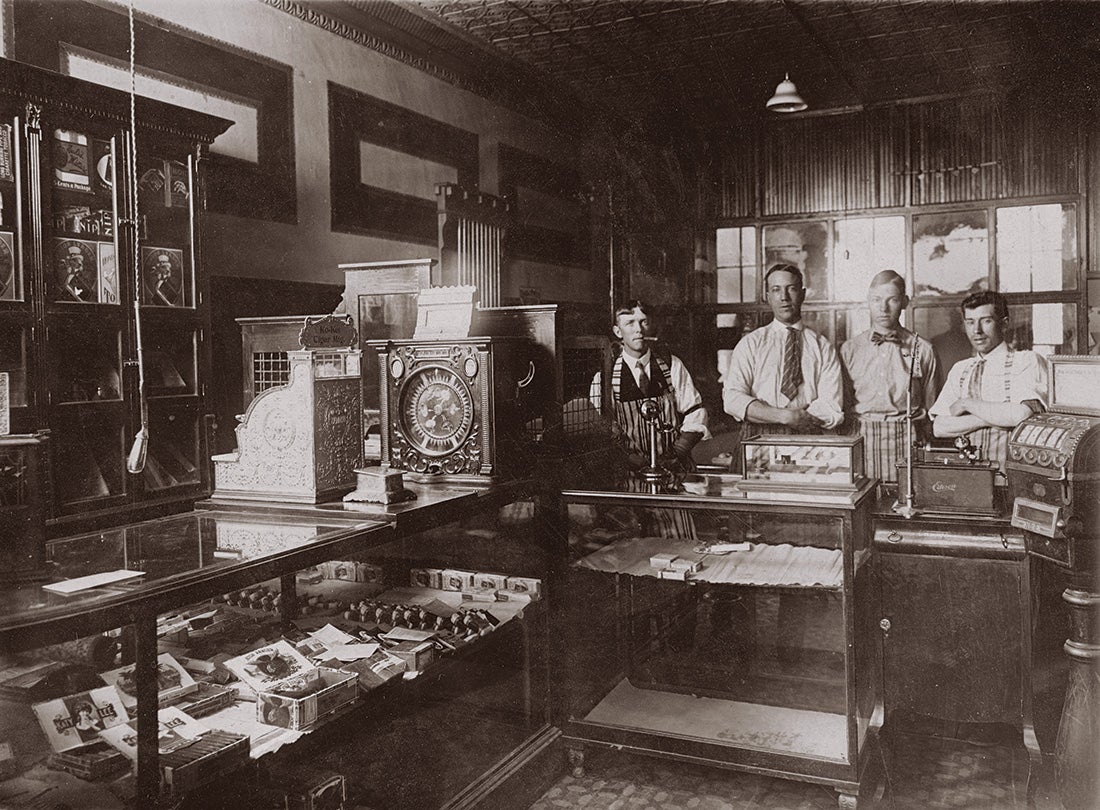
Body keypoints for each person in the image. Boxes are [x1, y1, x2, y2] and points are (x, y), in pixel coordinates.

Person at [589, 300, 708, 538]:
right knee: (634, 550)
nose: (638, 329)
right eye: (629, 323)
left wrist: (678, 450)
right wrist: (628, 458)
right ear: (617, 331)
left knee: (680, 544)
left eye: (643, 321)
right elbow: (599, 429)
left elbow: (696, 412)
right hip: (628, 482)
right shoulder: (604, 377)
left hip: (672, 477)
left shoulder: (671, 366)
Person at [929, 290, 1046, 475]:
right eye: (970, 322)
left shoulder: (1027, 361)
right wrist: (992, 418)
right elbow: (940, 427)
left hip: (1013, 473)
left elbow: (1020, 415)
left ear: (1004, 324)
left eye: (986, 320)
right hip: (969, 476)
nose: (977, 331)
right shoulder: (960, 369)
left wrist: (966, 403)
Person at [840, 270, 938, 486]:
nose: (883, 308)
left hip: (908, 439)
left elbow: (932, 408)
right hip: (861, 440)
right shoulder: (849, 349)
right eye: (876, 300)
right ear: (868, 301)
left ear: (904, 302)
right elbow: (844, 405)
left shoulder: (923, 349)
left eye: (892, 300)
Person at [722, 263, 843, 435]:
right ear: (768, 297)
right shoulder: (751, 344)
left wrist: (799, 418)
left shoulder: (822, 347)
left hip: (807, 436)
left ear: (802, 294)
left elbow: (831, 406)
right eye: (776, 290)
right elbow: (733, 399)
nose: (784, 297)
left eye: (791, 289)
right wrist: (784, 416)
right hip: (757, 436)